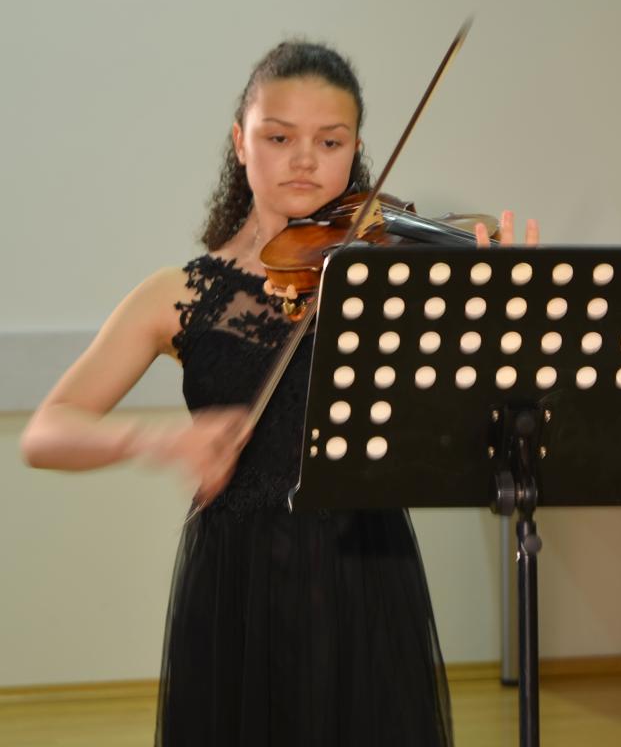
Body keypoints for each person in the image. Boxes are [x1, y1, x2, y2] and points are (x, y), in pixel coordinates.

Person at [20, 39, 539, 746]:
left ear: (356, 151)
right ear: (240, 142)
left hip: (365, 564)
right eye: (278, 137)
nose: (304, 159)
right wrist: (154, 440)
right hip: (236, 578)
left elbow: (478, 413)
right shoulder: (176, 294)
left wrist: (509, 307)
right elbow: (46, 431)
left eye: (330, 141)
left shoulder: (392, 279)